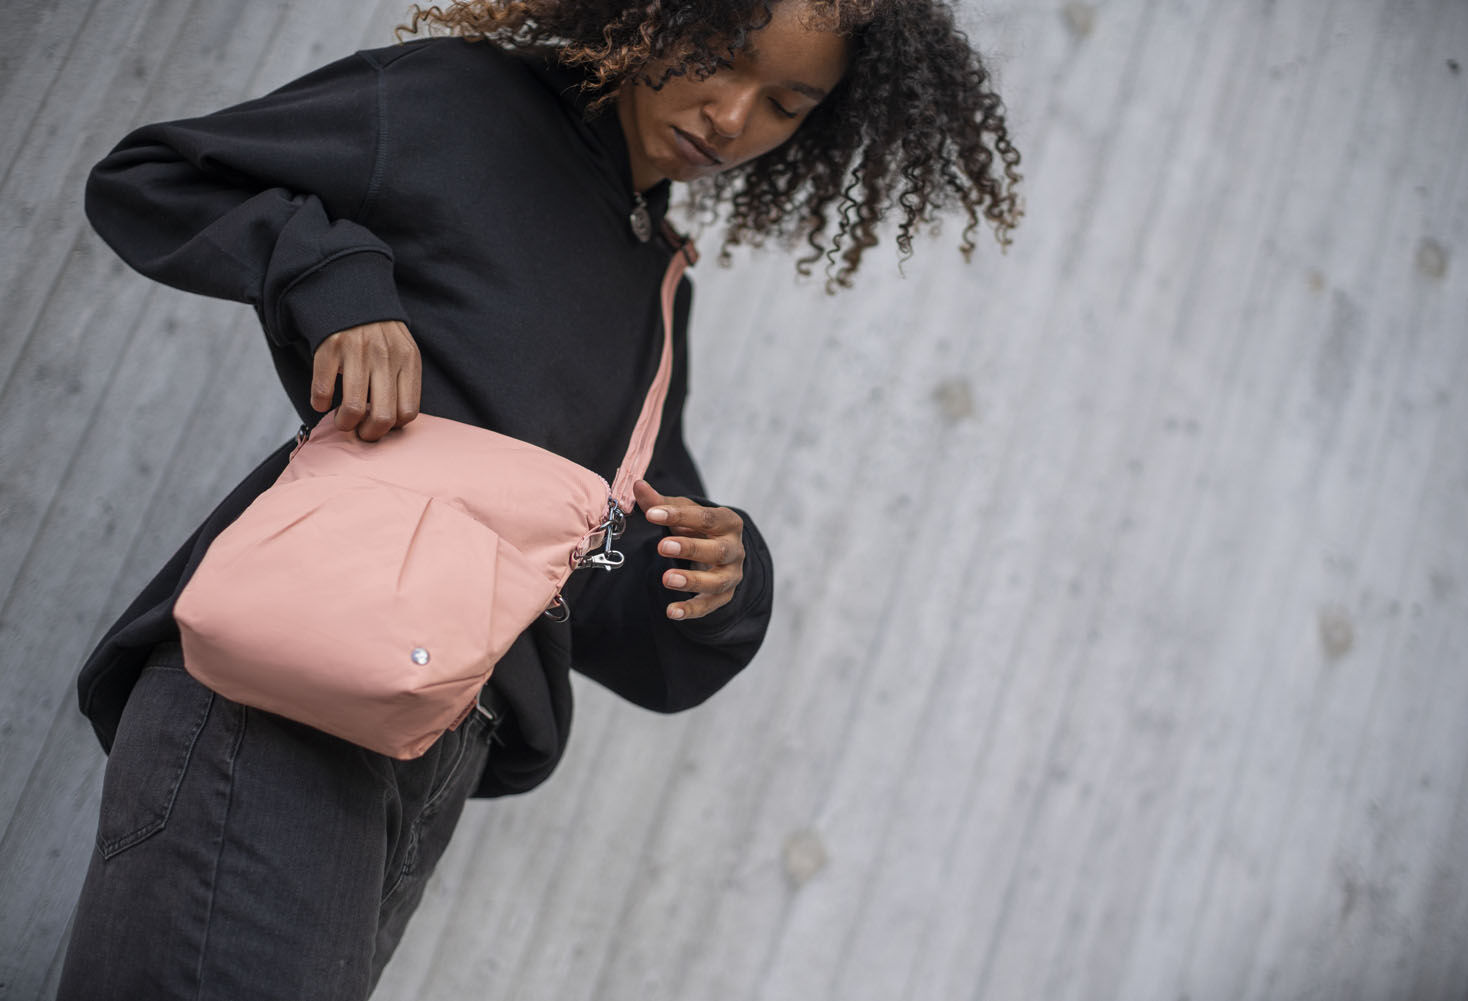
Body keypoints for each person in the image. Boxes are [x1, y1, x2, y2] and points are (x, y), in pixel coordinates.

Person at [57, 1, 1022, 998]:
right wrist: (332, 279)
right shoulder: (466, 104)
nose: (733, 116)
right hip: (289, 692)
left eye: (785, 104)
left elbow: (602, 576)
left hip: (430, 748)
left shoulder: (658, 287)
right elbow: (152, 177)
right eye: (719, 56)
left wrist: (723, 577)